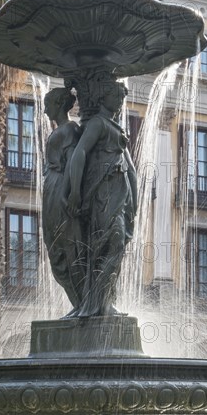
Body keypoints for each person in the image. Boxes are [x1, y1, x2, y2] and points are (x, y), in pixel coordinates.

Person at [68, 81, 137, 317]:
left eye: (121, 98)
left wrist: (134, 201)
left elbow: (131, 169)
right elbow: (80, 152)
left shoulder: (116, 128)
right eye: (115, 96)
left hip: (120, 194)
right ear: (104, 97)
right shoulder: (97, 123)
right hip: (103, 194)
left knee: (115, 246)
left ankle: (103, 300)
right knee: (109, 244)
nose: (119, 102)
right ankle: (98, 303)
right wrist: (75, 190)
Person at [42, 87, 84, 315]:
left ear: (59, 104)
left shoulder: (71, 130)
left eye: (48, 103)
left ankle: (82, 304)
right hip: (51, 191)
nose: (46, 108)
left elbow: (73, 164)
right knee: (54, 247)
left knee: (68, 248)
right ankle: (78, 304)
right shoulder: (62, 130)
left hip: (60, 191)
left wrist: (71, 193)